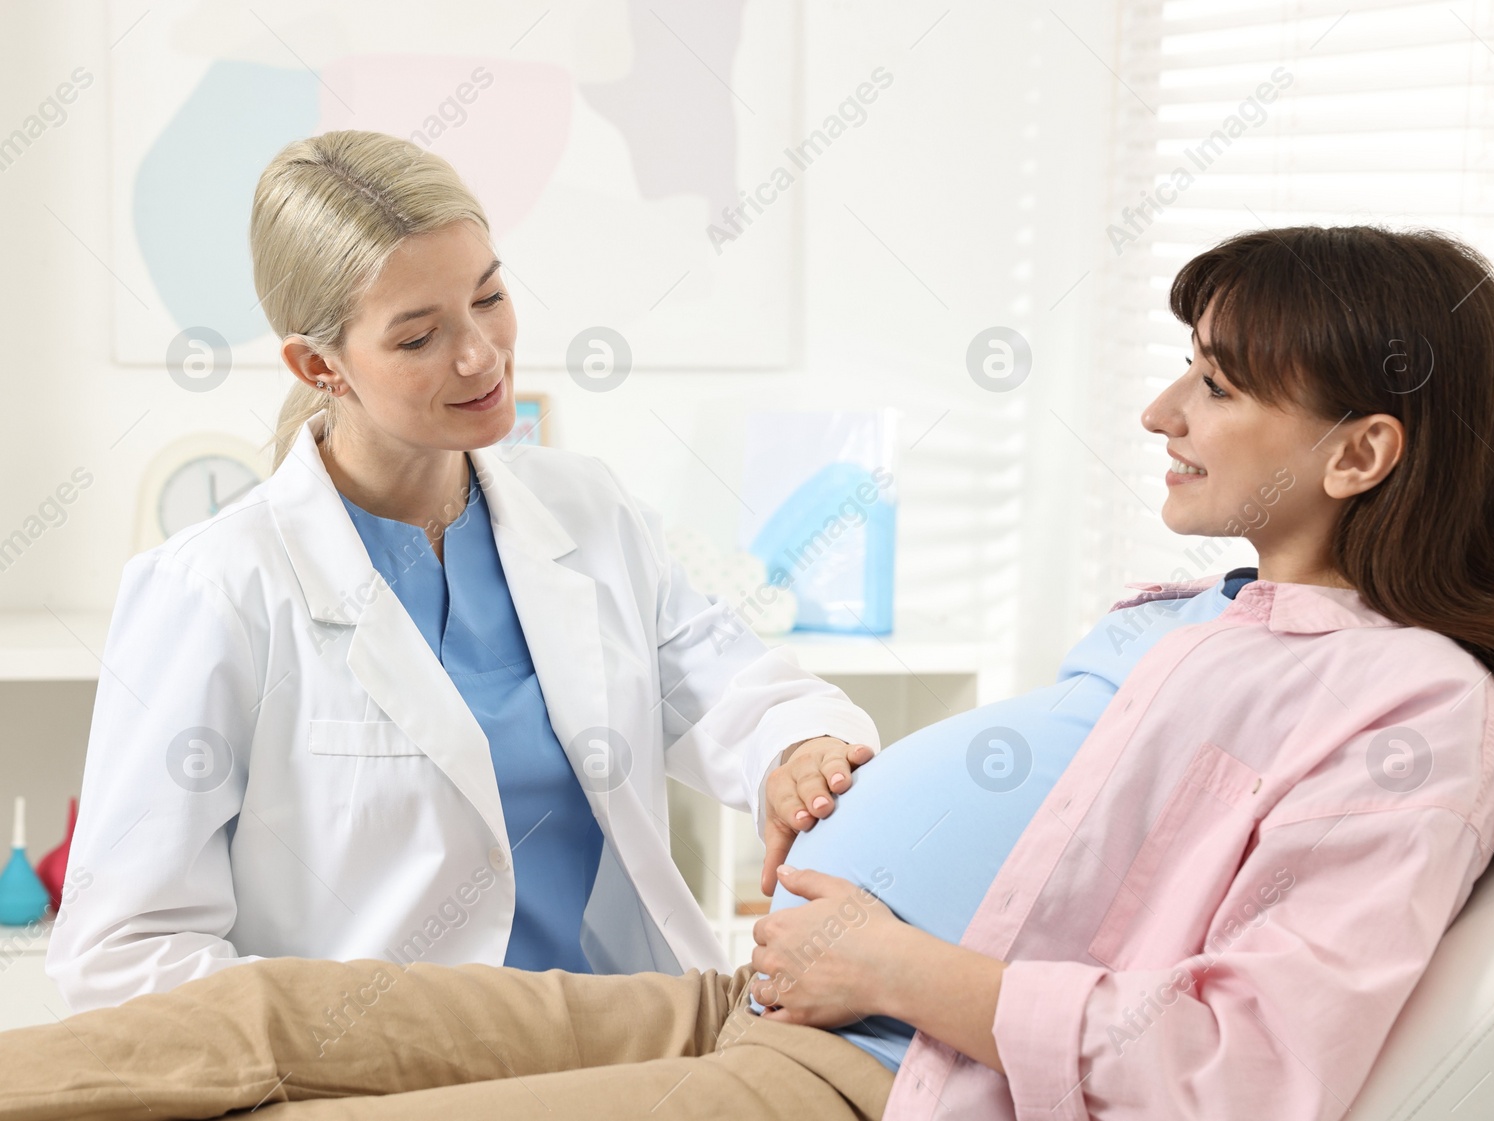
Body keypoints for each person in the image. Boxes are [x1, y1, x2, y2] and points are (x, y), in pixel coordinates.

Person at [5, 225, 1494, 1121]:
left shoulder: (1411, 710)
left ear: (1364, 451)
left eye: (1218, 383)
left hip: (872, 1071)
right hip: (736, 995)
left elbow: (1233, 1064)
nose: (1162, 410)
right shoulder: (1197, 609)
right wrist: (829, 782)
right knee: (258, 1022)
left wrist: (892, 970)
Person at [45, 130, 881, 1012]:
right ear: (318, 365)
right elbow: (120, 951)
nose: (481, 354)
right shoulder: (215, 590)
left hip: (628, 1049)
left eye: (489, 297)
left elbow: (738, 693)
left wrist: (801, 752)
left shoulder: (587, 513)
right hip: (389, 1082)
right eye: (418, 338)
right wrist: (368, 1037)